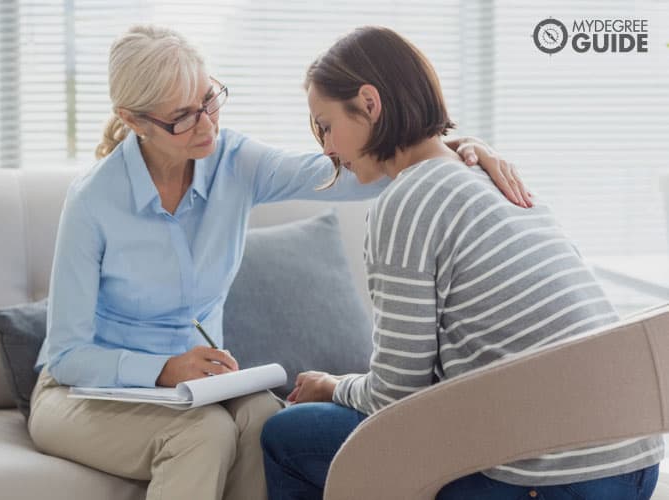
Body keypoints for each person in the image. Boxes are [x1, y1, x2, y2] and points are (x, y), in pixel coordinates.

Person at [27, 24, 531, 500]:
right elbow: (68, 355)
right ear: (136, 121)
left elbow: (358, 169)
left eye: (208, 100)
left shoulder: (232, 161)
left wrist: (456, 148)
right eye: (182, 117)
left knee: (265, 421)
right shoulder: (93, 201)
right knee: (202, 435)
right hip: (80, 395)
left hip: (193, 391)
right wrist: (163, 368)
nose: (206, 125)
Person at [260, 26, 664, 500]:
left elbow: (396, 397)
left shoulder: (405, 202)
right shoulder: (491, 176)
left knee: (287, 435)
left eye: (325, 125)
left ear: (369, 103)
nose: (325, 148)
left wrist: (333, 386)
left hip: (555, 477)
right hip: (636, 461)